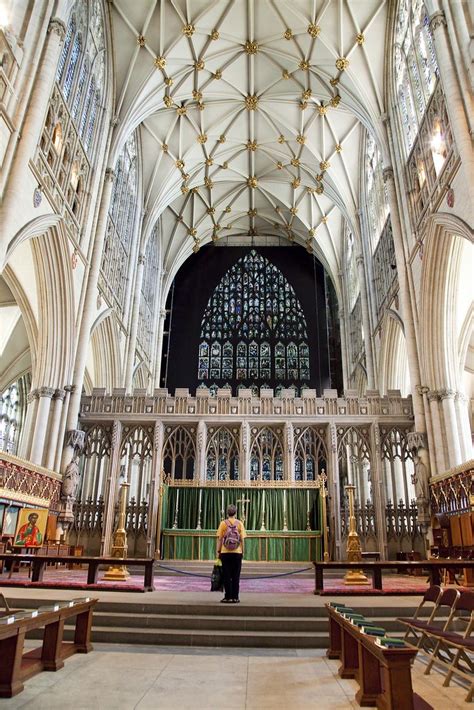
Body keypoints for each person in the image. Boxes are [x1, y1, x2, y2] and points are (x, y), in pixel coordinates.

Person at [216, 504, 246, 603]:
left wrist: (218, 551)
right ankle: (235, 597)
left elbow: (220, 539)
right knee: (236, 576)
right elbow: (242, 539)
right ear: (235, 513)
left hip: (225, 553)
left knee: (227, 576)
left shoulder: (223, 523)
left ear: (227, 512)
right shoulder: (239, 523)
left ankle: (228, 597)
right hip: (237, 552)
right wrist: (243, 552)